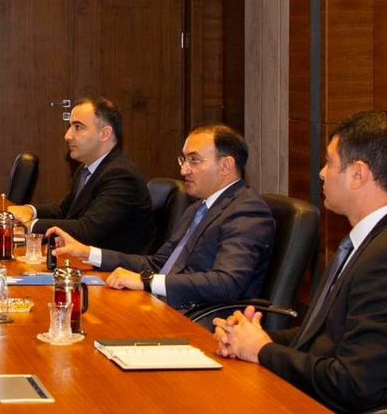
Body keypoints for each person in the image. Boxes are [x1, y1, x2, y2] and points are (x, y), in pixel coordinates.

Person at [212, 111, 387, 414]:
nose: (322, 173)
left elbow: (353, 384)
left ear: (358, 174)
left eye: (329, 163)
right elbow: (326, 339)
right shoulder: (373, 243)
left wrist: (262, 351)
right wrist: (250, 338)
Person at [49, 124, 273, 313]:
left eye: (194, 160)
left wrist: (147, 282)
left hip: (199, 319)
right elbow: (158, 264)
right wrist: (88, 253)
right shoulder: (198, 207)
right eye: (183, 160)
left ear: (226, 166)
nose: (184, 170)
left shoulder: (247, 210)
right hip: (162, 306)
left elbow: (226, 283)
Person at [5, 97, 155, 256]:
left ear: (105, 134)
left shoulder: (121, 176)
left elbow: (87, 231)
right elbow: (65, 211)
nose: (67, 136)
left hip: (113, 268)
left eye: (78, 127)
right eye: (70, 126)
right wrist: (30, 210)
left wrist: (30, 226)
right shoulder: (86, 169)